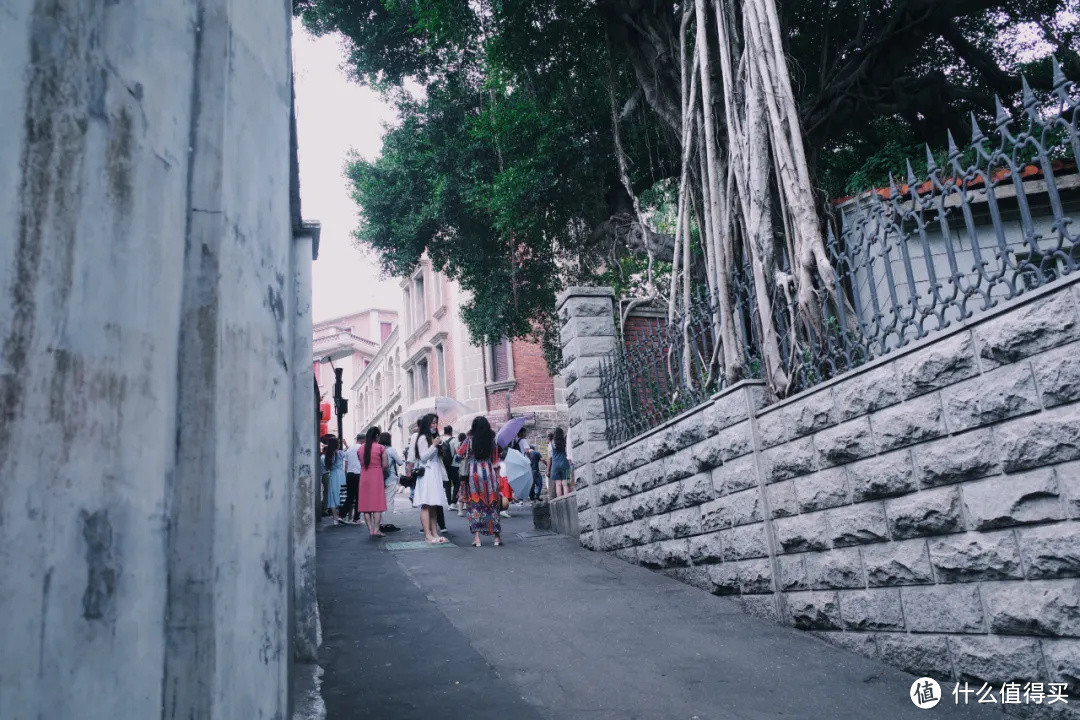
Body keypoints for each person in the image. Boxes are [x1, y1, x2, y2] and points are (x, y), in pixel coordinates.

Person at [457, 417, 502, 547]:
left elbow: (459, 455)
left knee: (475, 504)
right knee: (492, 504)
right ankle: (497, 537)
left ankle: (477, 538)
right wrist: (498, 478)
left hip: (473, 474)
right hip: (489, 473)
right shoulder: (492, 440)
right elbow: (495, 460)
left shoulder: (469, 440)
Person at [412, 413, 449, 543]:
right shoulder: (422, 438)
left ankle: (435, 533)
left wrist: (438, 445)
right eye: (432, 423)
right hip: (427, 472)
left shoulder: (434, 437)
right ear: (427, 424)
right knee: (426, 504)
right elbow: (423, 457)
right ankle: (428, 534)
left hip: (434, 472)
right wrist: (433, 445)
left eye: (435, 423)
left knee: (434, 504)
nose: (434, 425)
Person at [357, 426, 389, 537]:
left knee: (366, 505)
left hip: (364, 476)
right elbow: (385, 465)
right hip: (376, 476)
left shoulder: (360, 449)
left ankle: (370, 530)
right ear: (377, 436)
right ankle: (376, 530)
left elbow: (361, 462)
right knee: (377, 504)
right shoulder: (381, 448)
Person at [323, 437, 346, 525]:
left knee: (332, 495)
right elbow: (347, 452)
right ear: (337, 444)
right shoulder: (340, 453)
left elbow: (327, 467)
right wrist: (345, 444)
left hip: (332, 475)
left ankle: (335, 518)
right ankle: (341, 516)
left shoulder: (327, 454)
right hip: (340, 474)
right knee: (342, 494)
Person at [342, 434, 363, 523]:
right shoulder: (362, 448)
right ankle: (356, 518)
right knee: (359, 497)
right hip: (358, 474)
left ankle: (341, 515)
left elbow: (346, 465)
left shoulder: (349, 449)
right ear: (363, 440)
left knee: (350, 497)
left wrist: (346, 474)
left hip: (349, 474)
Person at [549, 427, 571, 498]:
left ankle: (559, 500)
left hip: (555, 465)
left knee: (558, 484)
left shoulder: (551, 443)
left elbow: (549, 456)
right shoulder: (565, 441)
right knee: (566, 484)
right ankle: (567, 499)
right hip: (565, 463)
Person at [441, 425, 457, 509]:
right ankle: (454, 501)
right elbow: (458, 451)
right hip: (453, 465)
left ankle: (449, 502)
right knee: (456, 483)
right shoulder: (454, 440)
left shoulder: (440, 440)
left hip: (443, 465)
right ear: (451, 431)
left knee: (446, 483)